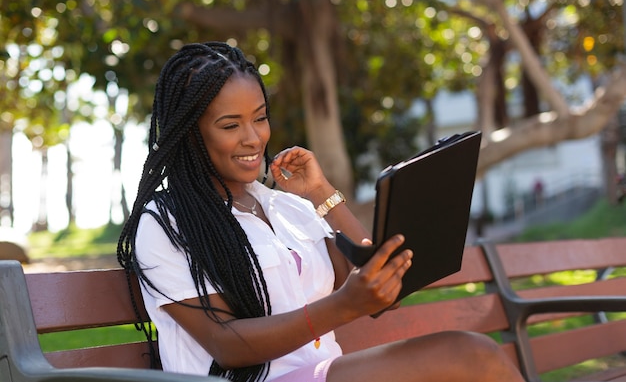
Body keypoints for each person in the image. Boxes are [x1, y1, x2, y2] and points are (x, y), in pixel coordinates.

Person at [117, 41, 524, 382]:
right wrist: (344, 305)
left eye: (260, 118)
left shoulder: (286, 208)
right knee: (467, 354)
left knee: (467, 357)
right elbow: (227, 346)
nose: (253, 137)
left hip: (323, 373)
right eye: (230, 125)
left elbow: (382, 294)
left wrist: (320, 192)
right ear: (190, 133)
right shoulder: (164, 224)